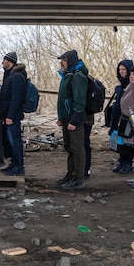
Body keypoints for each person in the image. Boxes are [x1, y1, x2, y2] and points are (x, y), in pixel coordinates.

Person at [56, 50, 88, 190]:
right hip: (67, 119)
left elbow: (79, 101)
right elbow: (64, 99)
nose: (61, 63)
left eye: (63, 60)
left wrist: (74, 121)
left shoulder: (78, 77)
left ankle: (78, 178)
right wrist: (62, 118)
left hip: (75, 120)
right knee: (70, 148)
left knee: (77, 148)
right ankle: (70, 174)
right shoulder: (67, 76)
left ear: (70, 61)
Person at [0, 52, 27, 176]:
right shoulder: (9, 75)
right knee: (11, 140)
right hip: (8, 114)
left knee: (15, 141)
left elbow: (16, 98)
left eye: (4, 60)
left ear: (10, 62)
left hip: (13, 115)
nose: (2, 62)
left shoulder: (16, 77)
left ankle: (19, 166)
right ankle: (14, 163)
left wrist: (10, 115)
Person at [109, 59, 134, 174]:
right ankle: (122, 162)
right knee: (119, 141)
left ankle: (127, 163)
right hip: (118, 116)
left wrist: (118, 89)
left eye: (124, 69)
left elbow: (125, 98)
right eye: (120, 69)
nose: (121, 72)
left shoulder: (131, 84)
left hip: (128, 116)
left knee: (127, 142)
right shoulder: (122, 82)